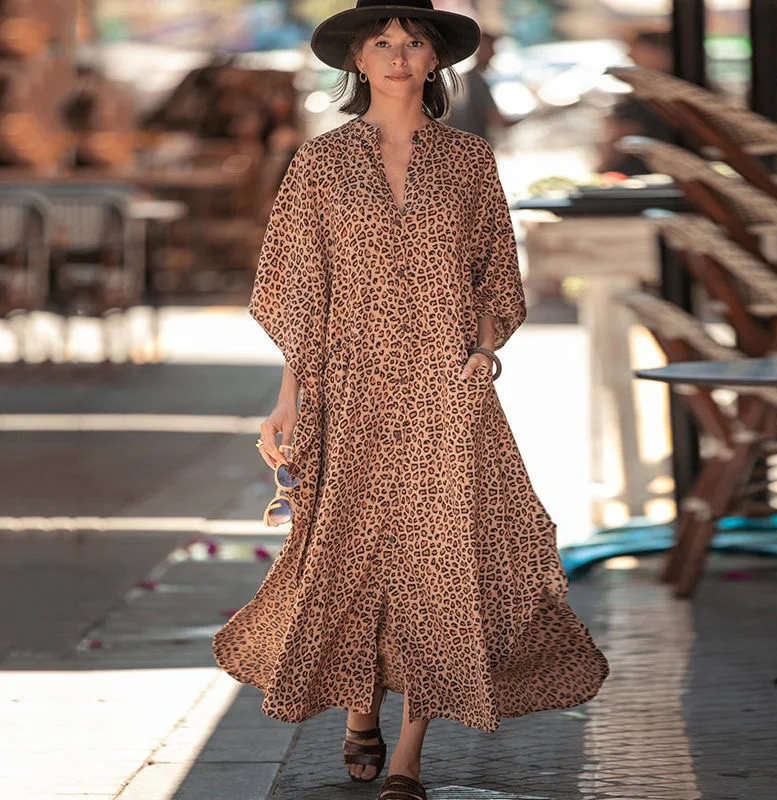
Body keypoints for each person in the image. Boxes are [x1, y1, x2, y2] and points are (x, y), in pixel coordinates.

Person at [211, 2, 609, 798]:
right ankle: (362, 707)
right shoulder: (320, 165)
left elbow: (500, 271)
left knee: (444, 564)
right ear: (357, 62)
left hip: (444, 390)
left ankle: (407, 758)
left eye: (414, 44)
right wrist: (288, 399)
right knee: (351, 559)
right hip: (347, 392)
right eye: (382, 45)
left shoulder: (469, 161)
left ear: (435, 62)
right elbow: (296, 288)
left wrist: (486, 347)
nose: (398, 57)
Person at [596, 27, 676, 175]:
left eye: (636, 48)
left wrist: (601, 170)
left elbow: (621, 136)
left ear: (658, 52)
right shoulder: (672, 89)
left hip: (638, 176)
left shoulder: (648, 93)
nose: (630, 54)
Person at [446, 30, 529, 147]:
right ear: (480, 51)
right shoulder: (475, 81)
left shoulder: (466, 79)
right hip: (472, 151)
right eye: (491, 48)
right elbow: (497, 120)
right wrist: (529, 117)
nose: (494, 53)